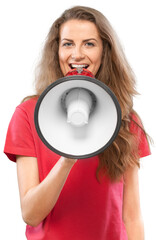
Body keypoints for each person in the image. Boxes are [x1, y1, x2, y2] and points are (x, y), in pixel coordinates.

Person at [4, 6, 150, 240]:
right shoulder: (27, 115)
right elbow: (30, 214)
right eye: (68, 43)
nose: (77, 54)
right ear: (57, 51)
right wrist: (67, 159)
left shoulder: (125, 119)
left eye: (89, 43)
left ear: (105, 51)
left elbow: (131, 216)